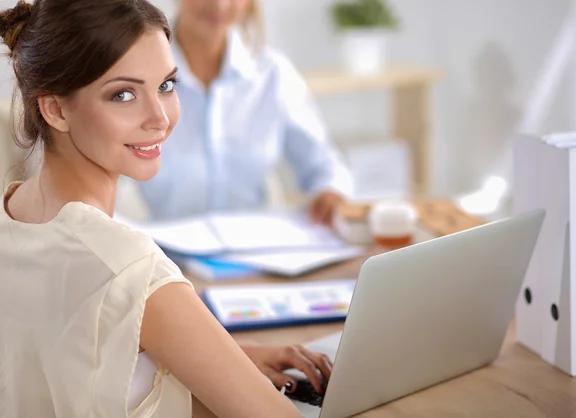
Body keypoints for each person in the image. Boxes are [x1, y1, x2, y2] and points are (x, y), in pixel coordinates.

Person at [0, 1, 332, 417]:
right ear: (56, 109)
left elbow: (64, 348)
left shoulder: (12, 213)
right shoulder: (129, 267)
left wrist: (223, 357)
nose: (159, 118)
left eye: (166, 85)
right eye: (123, 94)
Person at [129, 0, 353, 225]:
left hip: (258, 249)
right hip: (163, 254)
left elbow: (325, 166)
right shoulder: (134, 75)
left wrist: (330, 191)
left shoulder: (273, 74)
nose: (220, 5)